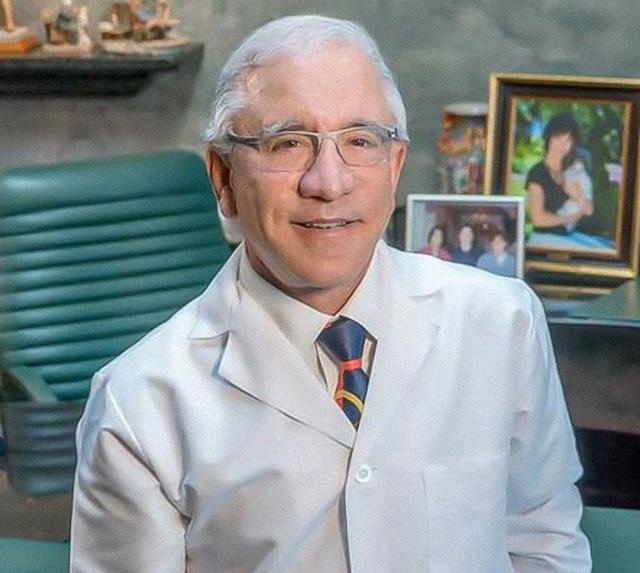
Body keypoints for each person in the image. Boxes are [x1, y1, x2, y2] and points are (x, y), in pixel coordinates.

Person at [71, 15, 591, 573]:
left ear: (394, 166)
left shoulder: (502, 323)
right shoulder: (140, 402)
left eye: (359, 141)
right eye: (287, 143)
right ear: (223, 178)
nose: (328, 182)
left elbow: (544, 543)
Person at [525, 112, 612, 250]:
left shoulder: (573, 170)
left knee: (609, 247)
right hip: (545, 239)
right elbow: (537, 219)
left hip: (569, 235)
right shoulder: (537, 173)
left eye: (568, 140)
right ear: (548, 137)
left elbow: (589, 210)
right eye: (558, 137)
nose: (562, 144)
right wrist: (570, 218)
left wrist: (578, 196)